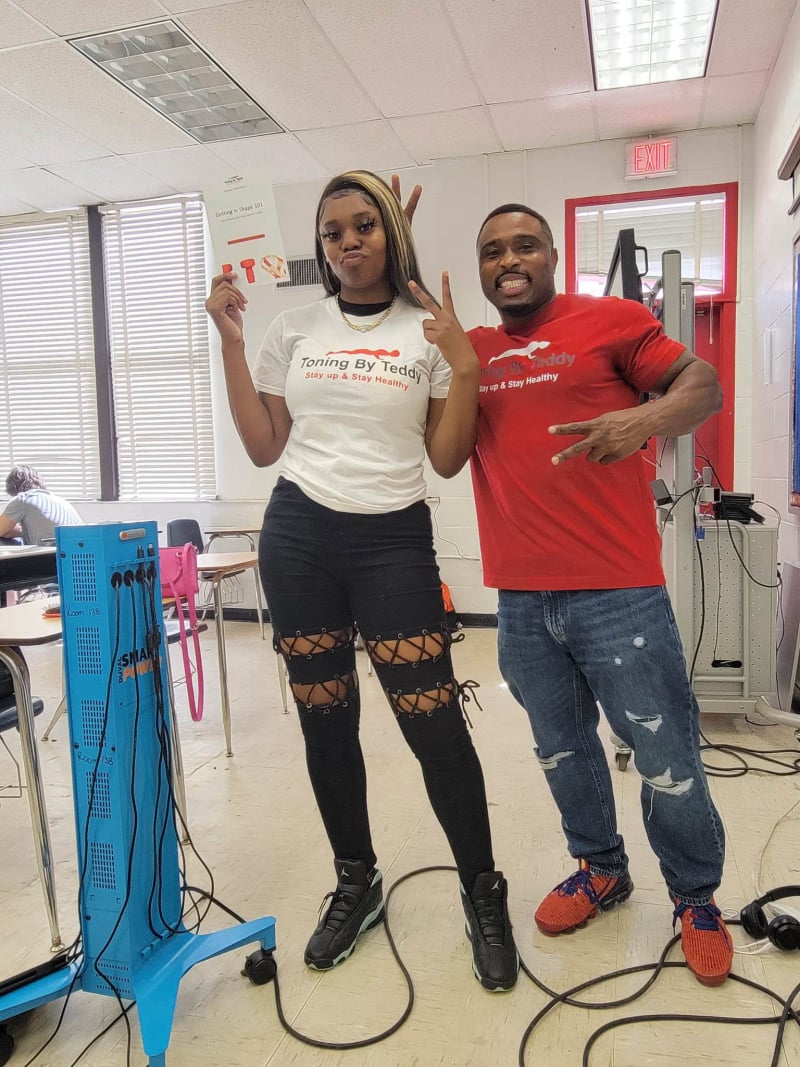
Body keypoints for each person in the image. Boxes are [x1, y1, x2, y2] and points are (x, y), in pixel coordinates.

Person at [204, 171, 518, 992]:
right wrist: (232, 341)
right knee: (327, 724)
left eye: (364, 226)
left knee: (435, 725)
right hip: (299, 537)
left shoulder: (430, 331)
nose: (348, 241)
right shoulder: (292, 328)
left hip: (393, 543)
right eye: (333, 230)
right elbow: (264, 446)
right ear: (321, 245)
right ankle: (356, 879)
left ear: (390, 233)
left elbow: (446, 458)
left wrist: (464, 365)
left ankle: (483, 891)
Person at [459, 203, 733, 987]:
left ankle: (695, 897)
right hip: (521, 599)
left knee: (664, 752)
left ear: (552, 254)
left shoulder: (611, 319)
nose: (509, 259)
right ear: (481, 269)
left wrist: (643, 419)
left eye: (525, 245)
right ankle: (601, 868)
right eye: (492, 250)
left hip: (620, 591)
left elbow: (702, 385)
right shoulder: (473, 353)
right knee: (562, 749)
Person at [0, 465, 81, 545]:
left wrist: (10, 530)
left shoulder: (23, 499)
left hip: (50, 552)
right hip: (78, 549)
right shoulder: (60, 500)